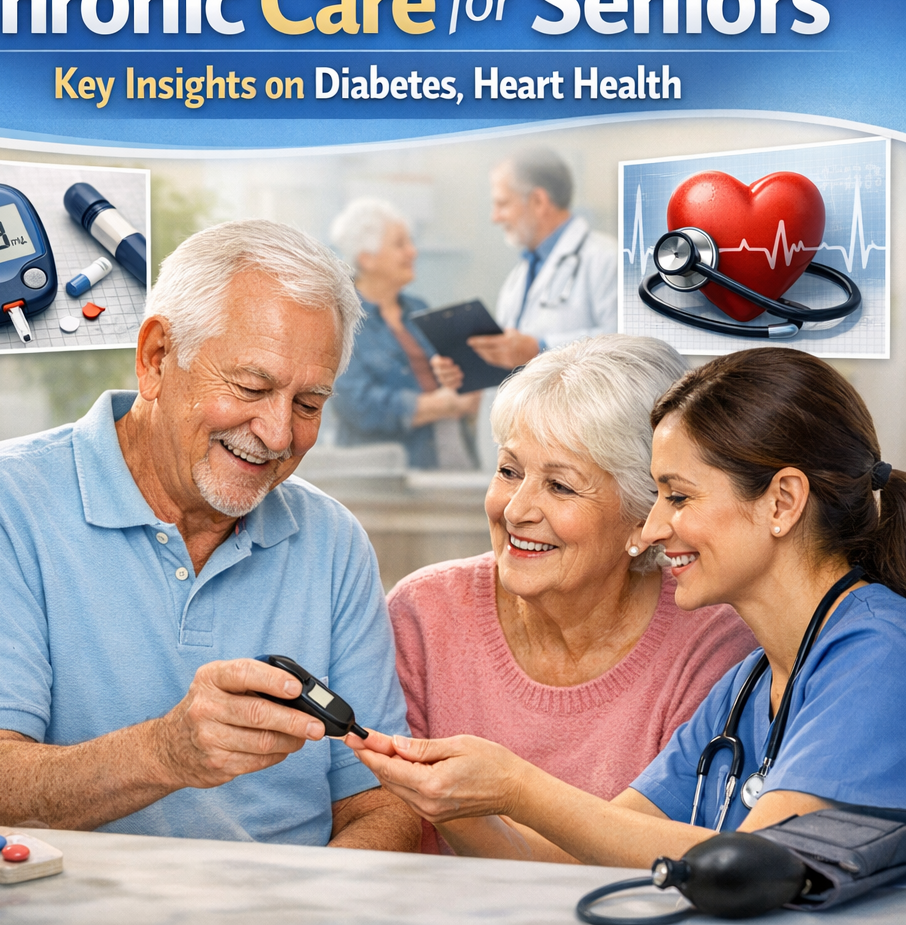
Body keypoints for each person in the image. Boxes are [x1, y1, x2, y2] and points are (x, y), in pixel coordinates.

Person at [0, 220, 419, 851]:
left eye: (308, 404)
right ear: (156, 358)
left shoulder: (334, 542)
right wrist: (165, 752)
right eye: (251, 386)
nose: (278, 435)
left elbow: (383, 799)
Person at [349, 347, 906, 865]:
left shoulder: (878, 654)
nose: (656, 525)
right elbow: (590, 849)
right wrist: (450, 799)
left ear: (782, 501)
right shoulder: (749, 685)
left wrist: (515, 785)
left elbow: (760, 867)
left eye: (678, 497)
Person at [385, 335, 755, 854]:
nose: (515, 511)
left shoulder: (714, 644)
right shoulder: (423, 612)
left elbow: (679, 862)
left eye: (560, 486)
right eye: (509, 471)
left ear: (643, 518)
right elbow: (390, 831)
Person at [434, 148, 617, 390]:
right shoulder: (520, 274)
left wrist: (539, 348)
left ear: (538, 201)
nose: (494, 217)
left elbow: (631, 347)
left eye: (502, 203)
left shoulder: (607, 258)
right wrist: (465, 369)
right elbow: (510, 362)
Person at [329, 198, 478, 469]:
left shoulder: (419, 310)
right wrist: (441, 405)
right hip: (382, 477)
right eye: (400, 244)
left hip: (446, 462)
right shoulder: (340, 319)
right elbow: (356, 403)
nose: (413, 252)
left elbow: (459, 379)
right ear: (366, 258)